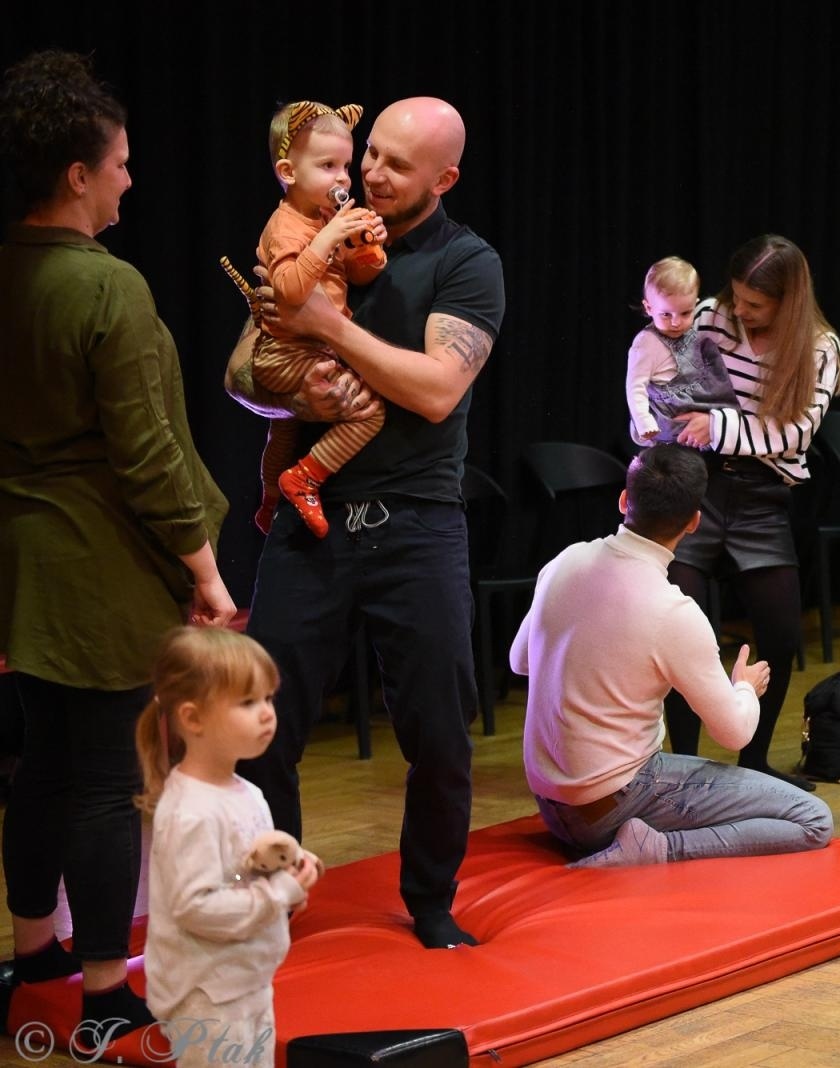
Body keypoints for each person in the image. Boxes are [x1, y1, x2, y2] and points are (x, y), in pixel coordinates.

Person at [225, 97, 505, 949]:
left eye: (394, 166)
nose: (370, 175)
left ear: (443, 179)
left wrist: (328, 329)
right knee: (261, 722)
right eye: (368, 155)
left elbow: (433, 387)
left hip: (418, 524)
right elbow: (242, 368)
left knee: (439, 734)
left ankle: (430, 902)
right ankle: (274, 900)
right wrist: (287, 385)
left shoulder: (468, 262)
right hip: (315, 524)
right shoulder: (320, 223)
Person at [0, 50, 233, 1042]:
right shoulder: (109, 290)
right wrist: (207, 572)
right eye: (122, 164)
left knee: (42, 766)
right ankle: (101, 994)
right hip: (95, 569)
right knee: (100, 779)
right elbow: (149, 455)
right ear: (77, 175)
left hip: (22, 567)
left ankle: (32, 949)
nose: (132, 179)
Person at [511, 444, 832, 866]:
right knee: (814, 819)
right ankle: (657, 848)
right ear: (695, 522)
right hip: (611, 807)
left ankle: (639, 834)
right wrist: (745, 688)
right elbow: (735, 734)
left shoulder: (566, 560)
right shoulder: (673, 612)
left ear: (625, 500)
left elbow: (521, 661)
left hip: (554, 805)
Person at [664, 235, 840, 791]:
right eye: (737, 297)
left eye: (755, 305)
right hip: (699, 486)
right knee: (681, 629)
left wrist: (716, 427)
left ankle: (757, 761)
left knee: (781, 633)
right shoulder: (711, 317)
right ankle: (686, 766)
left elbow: (794, 432)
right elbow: (666, 381)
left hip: (762, 497)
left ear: (788, 302)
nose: (740, 311)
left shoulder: (819, 347)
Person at [136, 627, 320, 1068]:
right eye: (247, 703)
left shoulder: (245, 792)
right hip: (205, 993)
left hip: (247, 976)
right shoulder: (190, 812)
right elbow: (196, 906)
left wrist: (287, 863)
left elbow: (240, 869)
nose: (267, 715)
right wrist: (279, 894)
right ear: (193, 719)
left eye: (269, 699)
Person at [244, 100, 388, 538]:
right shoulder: (285, 225)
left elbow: (359, 274)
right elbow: (288, 290)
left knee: (284, 430)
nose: (343, 178)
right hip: (288, 350)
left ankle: (269, 499)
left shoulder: (327, 219)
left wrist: (366, 249)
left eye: (345, 165)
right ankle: (303, 477)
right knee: (369, 413)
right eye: (328, 165)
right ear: (288, 172)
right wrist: (328, 238)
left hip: (308, 347)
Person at [625, 255, 736, 446]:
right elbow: (635, 386)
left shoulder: (698, 328)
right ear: (649, 308)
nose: (676, 322)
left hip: (701, 405)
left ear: (695, 304)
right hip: (672, 417)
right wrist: (644, 422)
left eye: (685, 313)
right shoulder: (646, 343)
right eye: (666, 314)